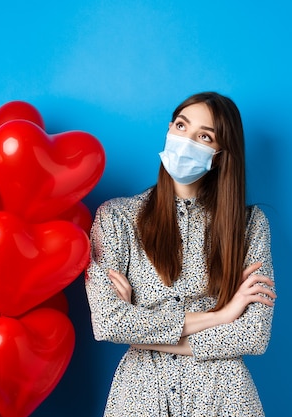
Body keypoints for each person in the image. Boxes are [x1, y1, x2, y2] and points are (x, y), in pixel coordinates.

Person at [85, 91, 276, 417]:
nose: (186, 140)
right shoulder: (116, 218)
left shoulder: (249, 225)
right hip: (140, 398)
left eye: (204, 136)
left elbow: (253, 335)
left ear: (218, 155)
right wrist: (221, 316)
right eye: (181, 126)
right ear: (169, 129)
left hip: (224, 397)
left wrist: (143, 330)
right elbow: (107, 323)